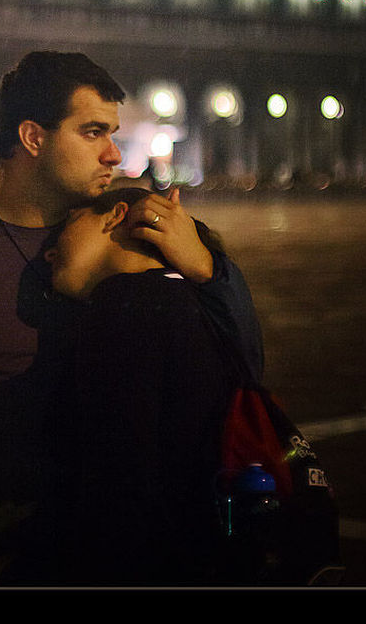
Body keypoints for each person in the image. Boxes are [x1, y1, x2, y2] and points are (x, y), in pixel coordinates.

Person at [0, 50, 263, 585]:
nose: (114, 153)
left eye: (112, 133)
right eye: (92, 132)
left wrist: (209, 271)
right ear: (33, 138)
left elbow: (244, 372)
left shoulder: (143, 236)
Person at [45, 186, 243, 585]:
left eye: (66, 225)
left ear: (116, 216)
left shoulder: (122, 308)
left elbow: (120, 479)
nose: (49, 252)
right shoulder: (190, 300)